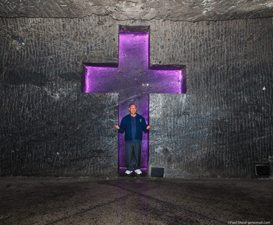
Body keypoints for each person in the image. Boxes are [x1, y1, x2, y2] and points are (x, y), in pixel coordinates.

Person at [114, 103, 150, 175]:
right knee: (129, 155)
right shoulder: (125, 119)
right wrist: (118, 128)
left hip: (137, 139)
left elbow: (144, 129)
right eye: (132, 108)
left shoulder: (141, 118)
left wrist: (147, 128)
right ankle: (129, 168)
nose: (133, 109)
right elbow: (122, 130)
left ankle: (137, 168)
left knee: (137, 154)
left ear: (136, 109)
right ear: (129, 109)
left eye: (134, 108)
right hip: (128, 140)